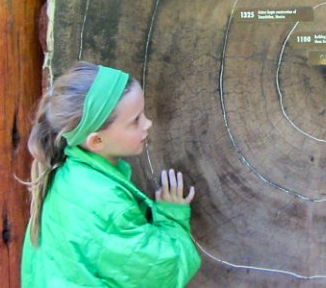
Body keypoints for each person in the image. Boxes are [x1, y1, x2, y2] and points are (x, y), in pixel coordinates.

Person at [21, 61, 201, 287]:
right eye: (135, 121)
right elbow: (166, 272)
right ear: (96, 140)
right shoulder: (107, 205)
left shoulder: (69, 176)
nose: (148, 123)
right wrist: (172, 216)